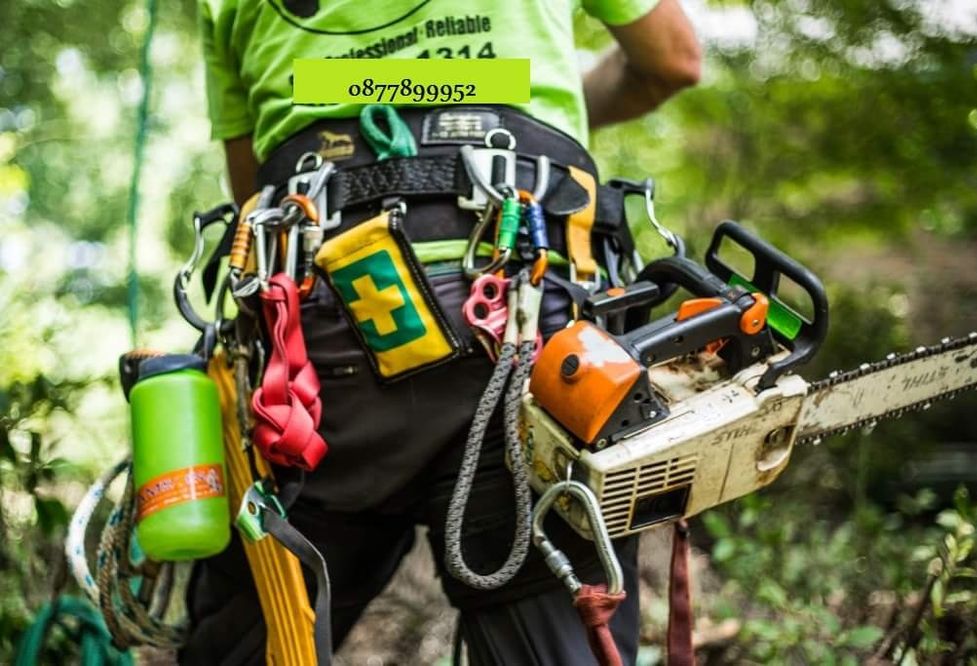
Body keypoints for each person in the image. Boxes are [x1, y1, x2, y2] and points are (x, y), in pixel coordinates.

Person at [184, 1, 700, 663]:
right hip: (533, 324)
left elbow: (250, 181)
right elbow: (672, 60)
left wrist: (369, 95)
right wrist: (514, 104)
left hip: (317, 346)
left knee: (257, 631)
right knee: (558, 625)